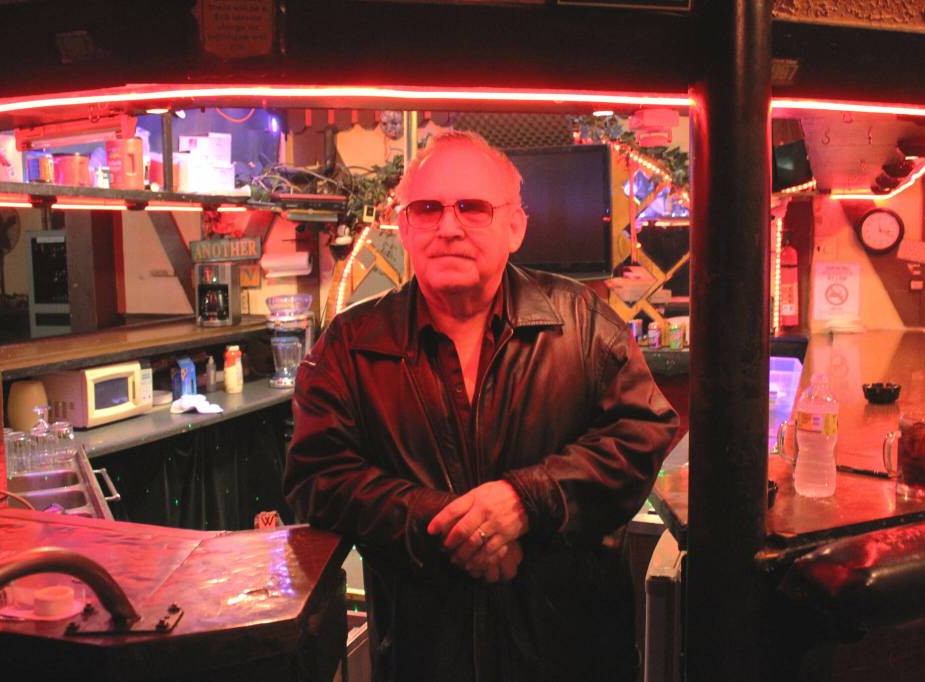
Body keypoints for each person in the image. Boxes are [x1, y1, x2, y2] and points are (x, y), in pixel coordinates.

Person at [285, 131, 678, 682]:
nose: (449, 227)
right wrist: (449, 526)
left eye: (472, 207)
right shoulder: (351, 345)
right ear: (404, 227)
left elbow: (641, 435)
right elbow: (318, 479)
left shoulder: (585, 326)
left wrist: (528, 500)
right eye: (428, 209)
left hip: (571, 656)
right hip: (423, 660)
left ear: (515, 227)